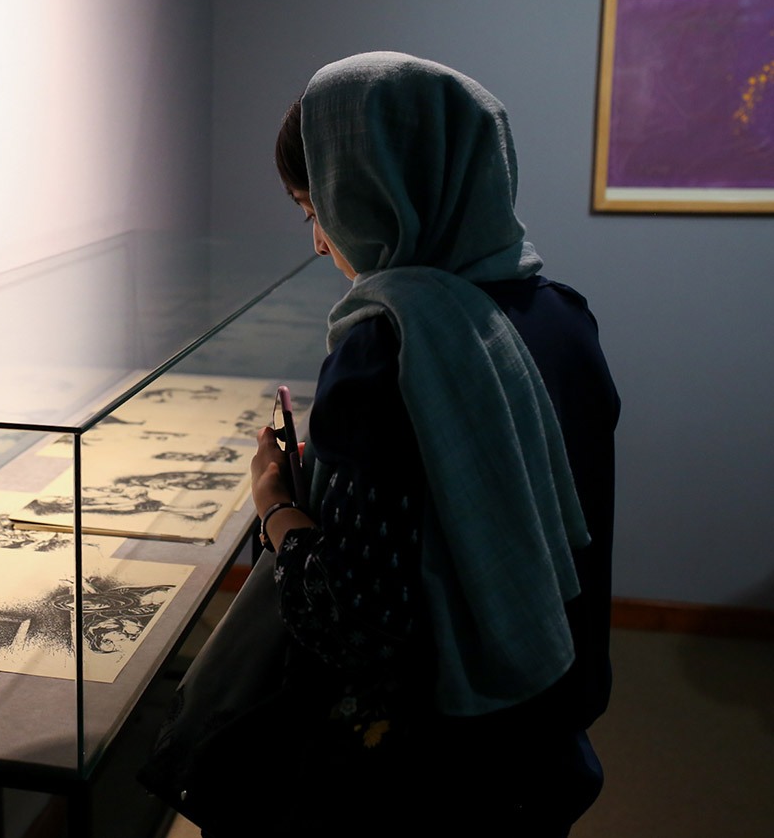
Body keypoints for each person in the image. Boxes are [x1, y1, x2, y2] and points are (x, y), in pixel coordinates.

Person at [246, 52, 620, 836]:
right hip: (546, 725)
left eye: (316, 206)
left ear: (375, 191)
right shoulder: (563, 316)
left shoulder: (385, 352)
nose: (319, 243)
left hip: (431, 762)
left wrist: (276, 503)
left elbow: (355, 624)